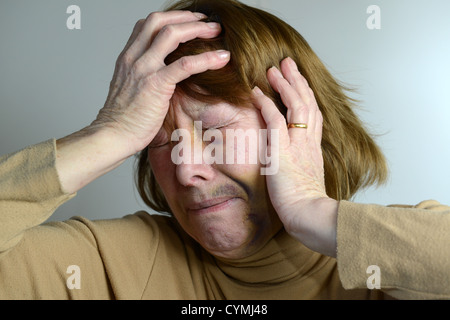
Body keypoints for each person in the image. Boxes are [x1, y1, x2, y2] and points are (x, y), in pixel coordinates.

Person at [0, 0, 449, 300]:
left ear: (301, 126)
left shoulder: (391, 264)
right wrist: (107, 134)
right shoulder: (104, 264)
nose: (186, 169)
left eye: (213, 129)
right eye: (157, 139)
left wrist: (313, 211)